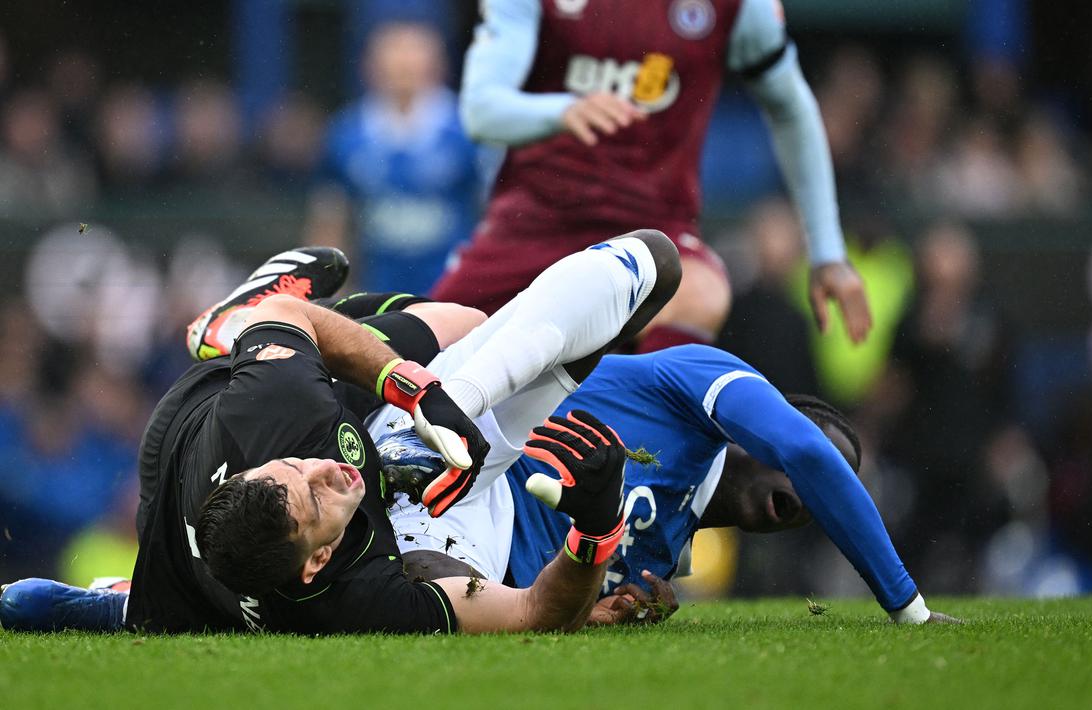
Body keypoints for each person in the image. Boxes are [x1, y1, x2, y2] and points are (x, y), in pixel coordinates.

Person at [2, 232, 681, 634]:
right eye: (316, 495)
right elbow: (535, 613)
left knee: (459, 322)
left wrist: (420, 393)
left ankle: (226, 326)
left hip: (200, 419)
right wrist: (594, 533)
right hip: (375, 518)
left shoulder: (277, 418)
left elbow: (293, 318)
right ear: (316, 564)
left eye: (295, 469)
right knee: (648, 265)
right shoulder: (354, 599)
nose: (323, 469)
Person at [380, 345, 958, 625]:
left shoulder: (668, 556)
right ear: (768, 428)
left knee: (450, 616)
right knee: (421, 605)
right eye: (823, 473)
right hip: (462, 466)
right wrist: (910, 608)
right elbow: (806, 451)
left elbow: (550, 605)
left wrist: (600, 613)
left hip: (493, 573)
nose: (814, 490)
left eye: (830, 494)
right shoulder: (691, 383)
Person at [431, 0, 872, 351]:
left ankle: (635, 455)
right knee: (416, 348)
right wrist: (564, 110)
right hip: (531, 228)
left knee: (702, 294)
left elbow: (790, 107)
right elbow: (481, 109)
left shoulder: (737, 6)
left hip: (653, 234)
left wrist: (828, 253)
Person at [304, 21, 480, 294]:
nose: (403, 67)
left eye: (413, 58)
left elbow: (493, 209)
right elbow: (330, 215)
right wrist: (325, 288)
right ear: (370, 67)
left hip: (453, 283)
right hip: (378, 283)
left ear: (438, 66)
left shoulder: (467, 128)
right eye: (394, 59)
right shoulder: (348, 132)